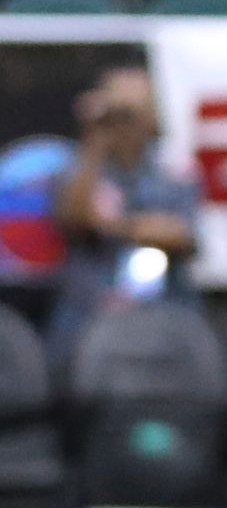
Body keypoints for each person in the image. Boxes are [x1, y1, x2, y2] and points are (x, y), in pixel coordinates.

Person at [49, 67, 198, 364]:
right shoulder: (77, 165)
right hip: (88, 321)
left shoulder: (171, 164)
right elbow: (74, 218)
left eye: (134, 110)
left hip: (164, 320)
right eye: (119, 109)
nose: (126, 121)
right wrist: (97, 135)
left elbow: (181, 234)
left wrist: (113, 225)